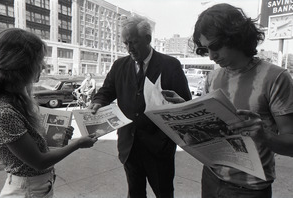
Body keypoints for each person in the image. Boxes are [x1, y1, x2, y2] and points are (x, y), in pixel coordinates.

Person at [163, 3, 293, 198]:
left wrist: (265, 136)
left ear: (236, 37)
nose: (211, 56)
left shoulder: (276, 77)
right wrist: (183, 108)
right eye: (205, 49)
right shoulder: (212, 78)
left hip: (249, 189)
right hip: (211, 176)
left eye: (215, 47)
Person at [88, 15, 191, 198]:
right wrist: (97, 102)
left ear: (148, 39)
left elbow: (186, 103)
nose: (129, 49)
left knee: (164, 193)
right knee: (134, 193)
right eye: (125, 43)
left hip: (159, 147)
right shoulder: (119, 65)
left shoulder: (170, 65)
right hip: (129, 146)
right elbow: (106, 91)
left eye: (133, 42)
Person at [0, 28, 98, 198]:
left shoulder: (17, 100)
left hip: (37, 187)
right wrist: (77, 144)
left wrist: (56, 137)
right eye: (39, 61)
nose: (43, 66)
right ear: (23, 66)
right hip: (27, 191)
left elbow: (32, 146)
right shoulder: (3, 112)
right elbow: (39, 162)